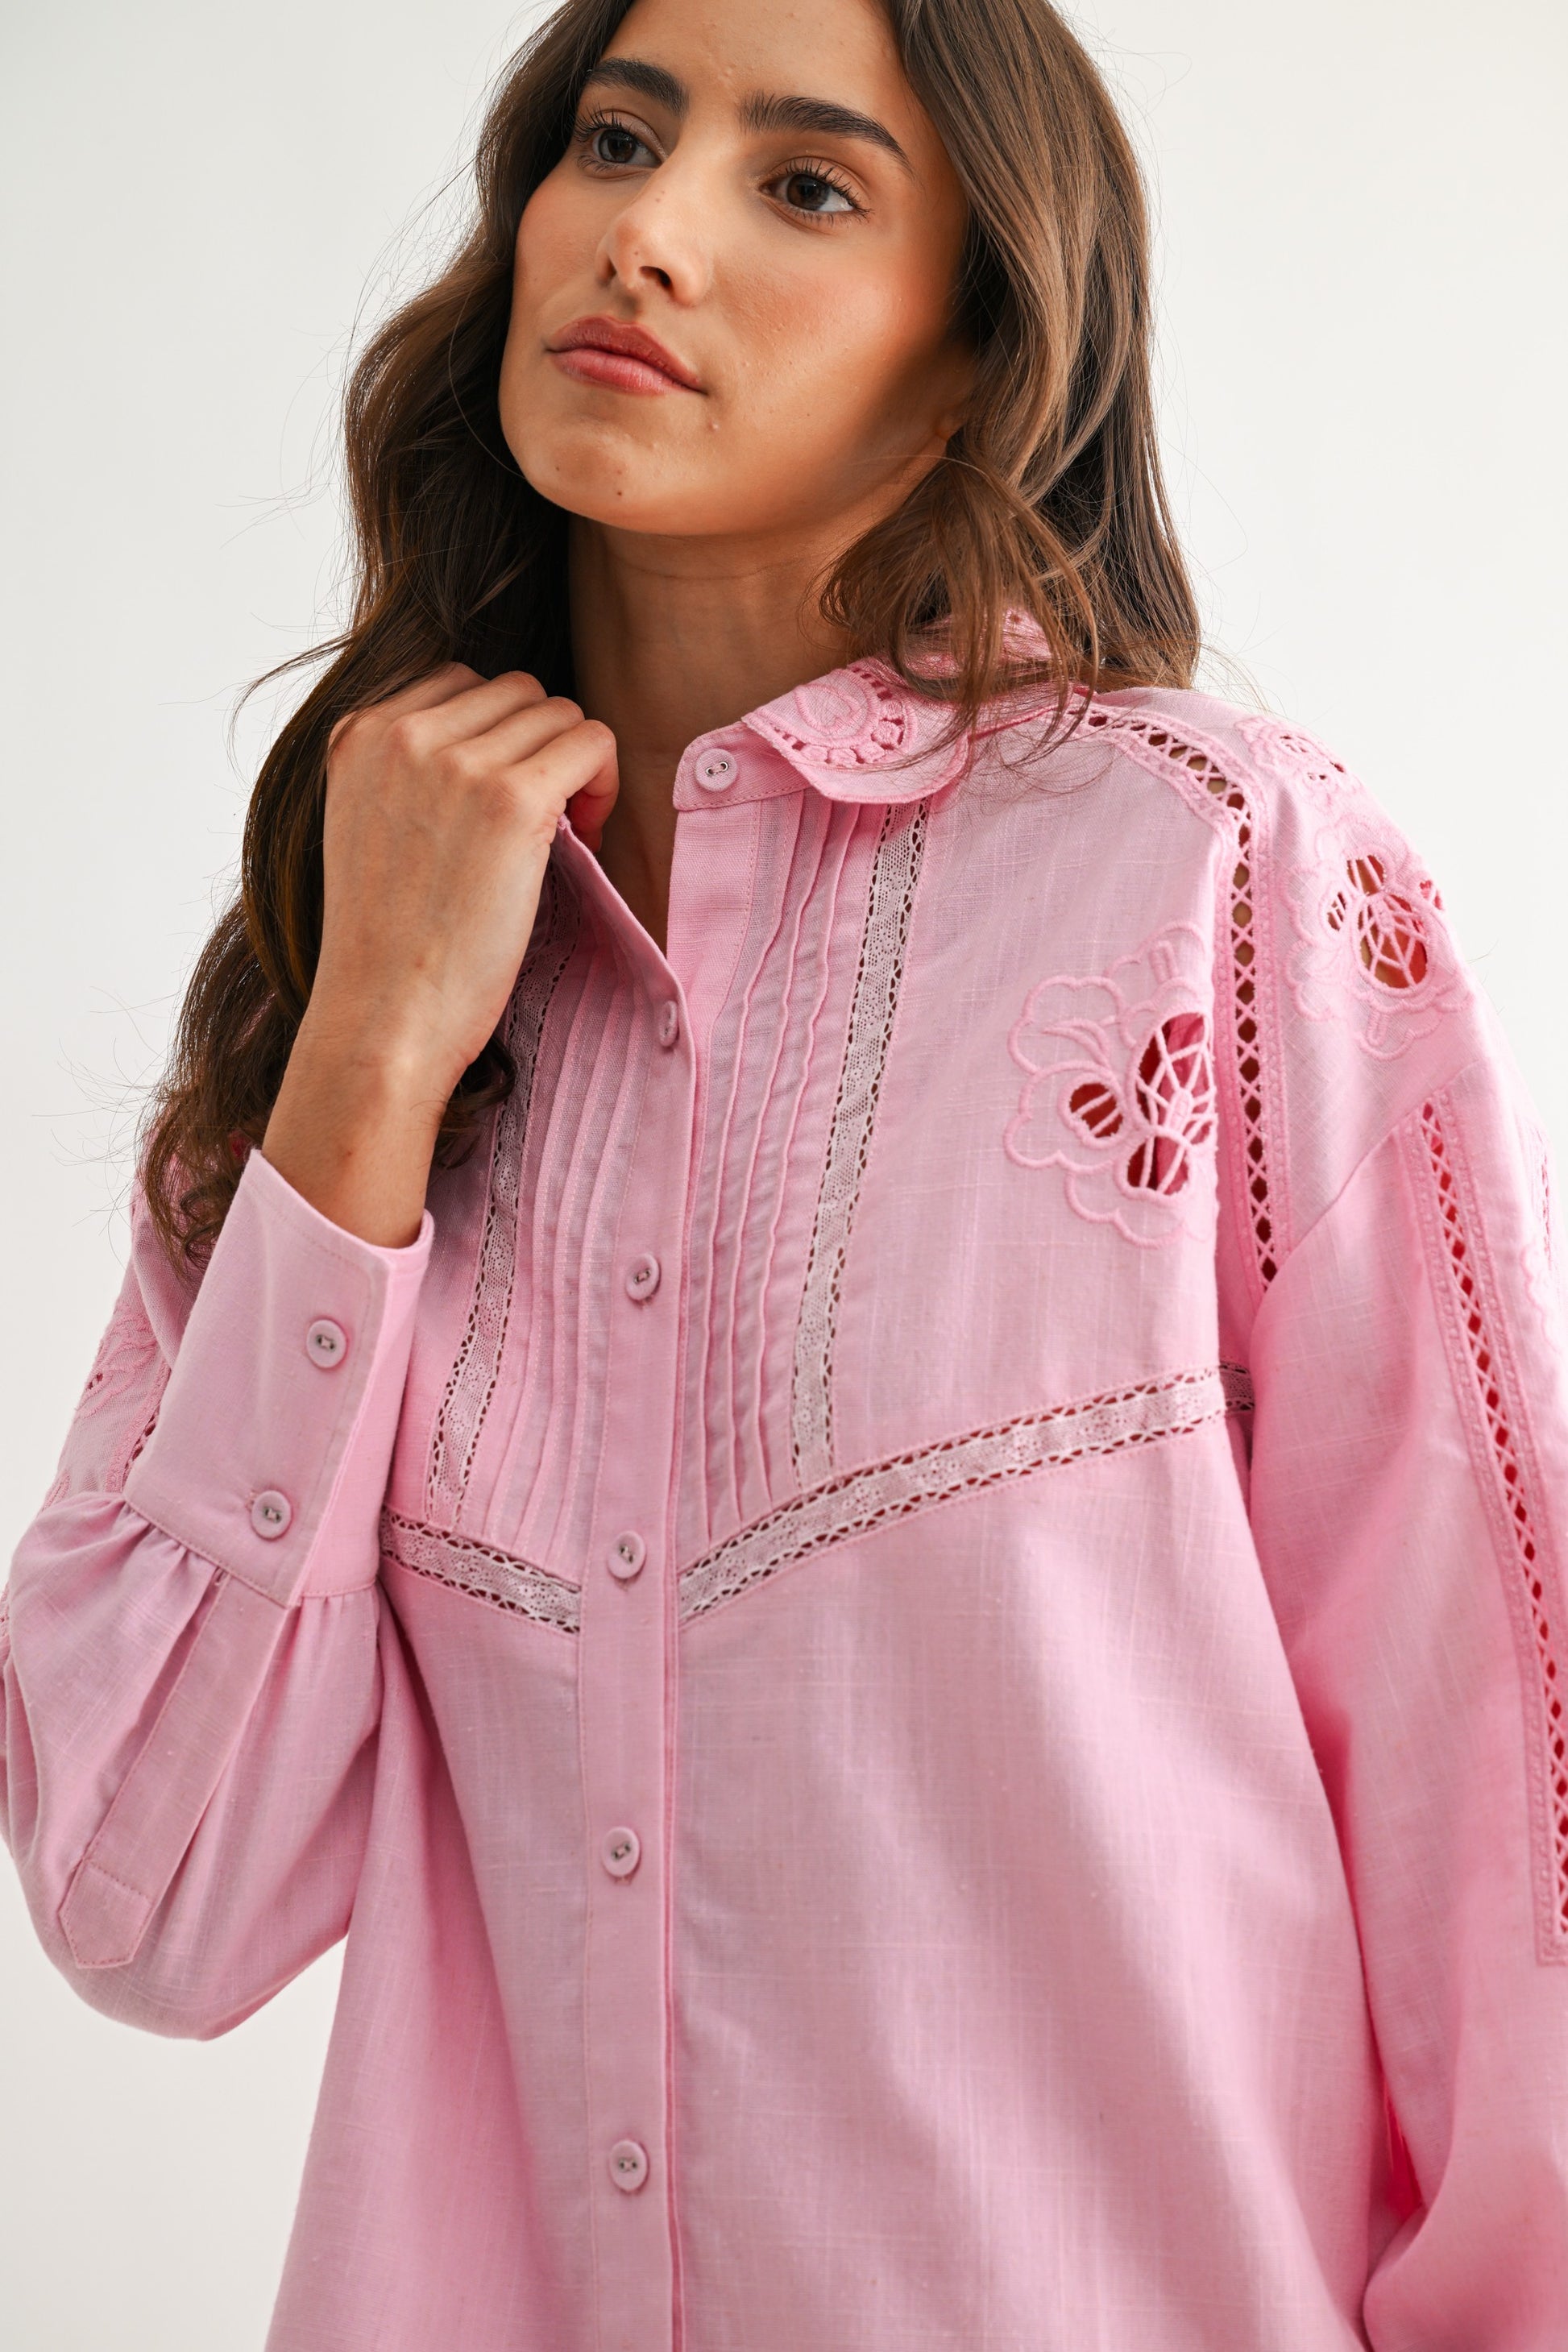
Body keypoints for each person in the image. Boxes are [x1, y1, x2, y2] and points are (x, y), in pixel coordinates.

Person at [6, 0, 1567, 2342]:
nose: (646, 231)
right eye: (613, 138)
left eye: (804, 183)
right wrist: (372, 1055)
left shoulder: (1208, 877)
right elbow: (149, 1900)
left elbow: (1509, 1805)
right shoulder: (355, 981)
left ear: (975, 359)